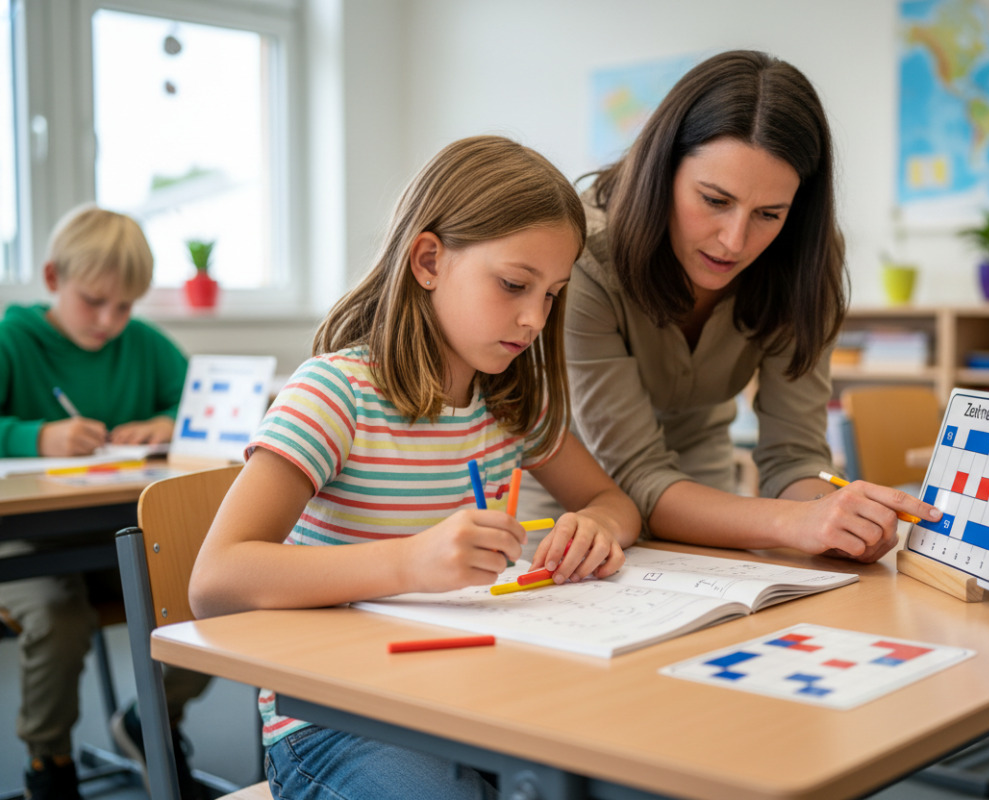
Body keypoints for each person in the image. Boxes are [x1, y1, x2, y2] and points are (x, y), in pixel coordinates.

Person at [189, 135, 641, 800]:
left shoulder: (514, 403)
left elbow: (614, 502)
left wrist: (598, 526)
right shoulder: (335, 394)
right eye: (514, 285)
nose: (534, 318)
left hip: (480, 698)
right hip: (338, 719)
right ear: (428, 261)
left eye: (552, 294)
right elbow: (216, 580)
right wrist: (409, 563)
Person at [525, 50, 941, 560]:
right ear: (663, 171)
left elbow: (794, 457)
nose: (734, 241)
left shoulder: (806, 258)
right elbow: (635, 474)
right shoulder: (585, 254)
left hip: (705, 487)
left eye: (769, 213)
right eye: (715, 201)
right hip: (574, 501)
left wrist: (837, 520)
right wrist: (794, 522)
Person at [0, 205, 211, 800]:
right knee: (58, 618)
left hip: (119, 538)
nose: (108, 321)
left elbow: (198, 405)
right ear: (52, 278)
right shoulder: (12, 341)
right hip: (23, 544)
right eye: (93, 301)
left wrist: (165, 424)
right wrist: (35, 437)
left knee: (212, 596)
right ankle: (49, 761)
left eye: (124, 307)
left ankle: (152, 722)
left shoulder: (144, 344)